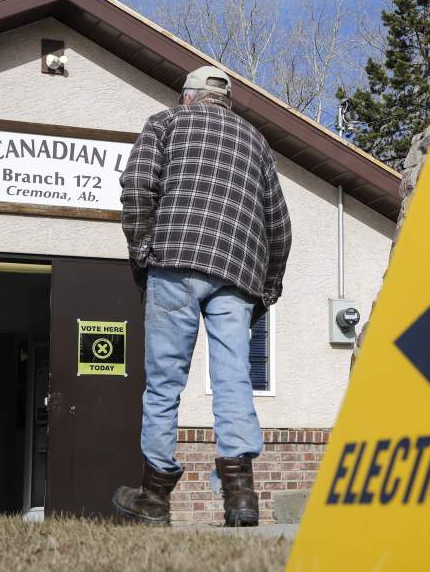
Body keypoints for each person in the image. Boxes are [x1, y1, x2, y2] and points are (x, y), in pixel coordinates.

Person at [112, 65, 292, 527]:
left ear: (188, 97)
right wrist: (267, 290)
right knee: (234, 380)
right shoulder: (256, 142)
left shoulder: (166, 123)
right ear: (226, 102)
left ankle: (154, 497)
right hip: (237, 273)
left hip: (174, 262)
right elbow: (279, 225)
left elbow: (136, 188)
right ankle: (241, 499)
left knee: (164, 384)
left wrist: (142, 251)